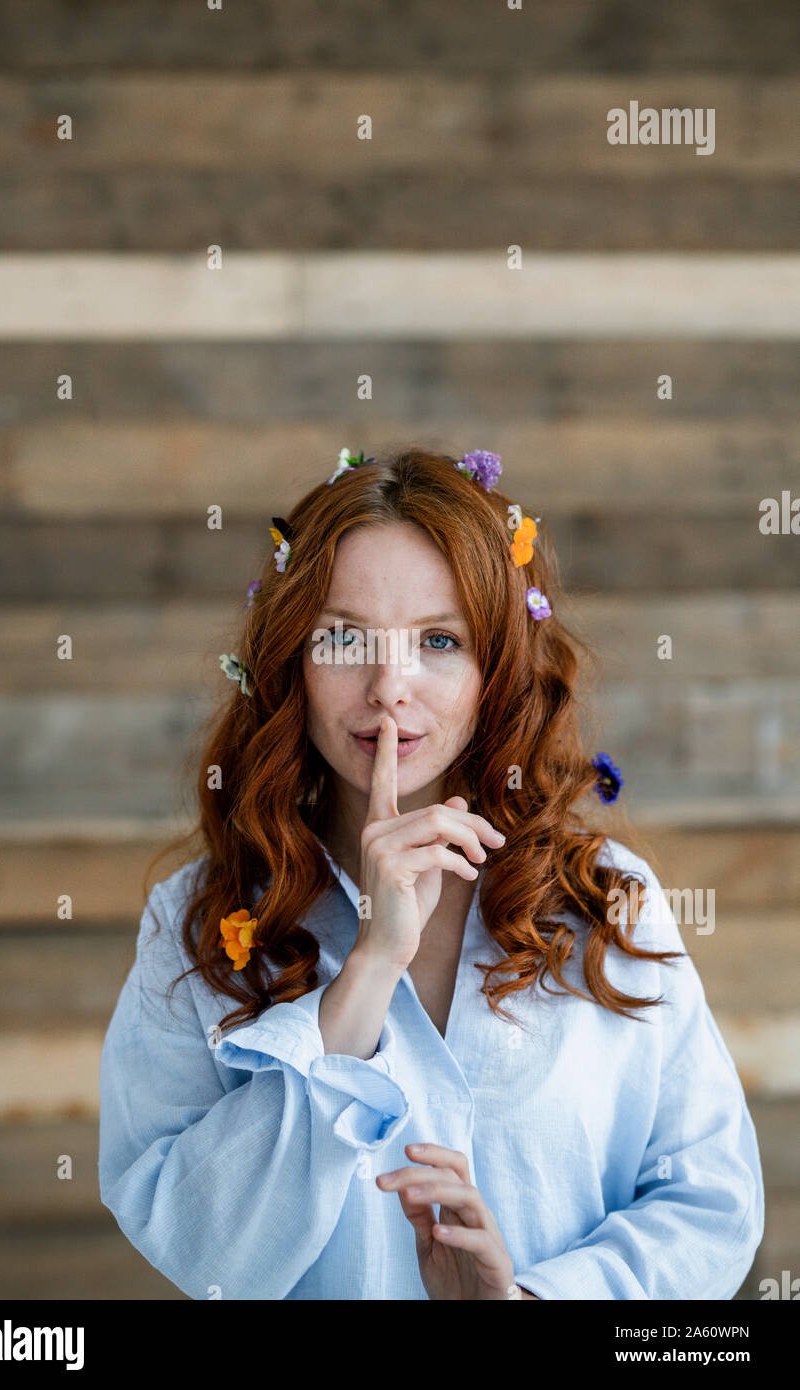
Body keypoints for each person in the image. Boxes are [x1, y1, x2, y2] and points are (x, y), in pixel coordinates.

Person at [98, 446, 764, 1300]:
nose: (388, 687)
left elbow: (709, 1201)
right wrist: (367, 971)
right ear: (291, 661)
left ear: (495, 672)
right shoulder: (194, 917)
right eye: (343, 638)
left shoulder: (607, 900)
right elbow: (193, 1242)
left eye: (439, 641)